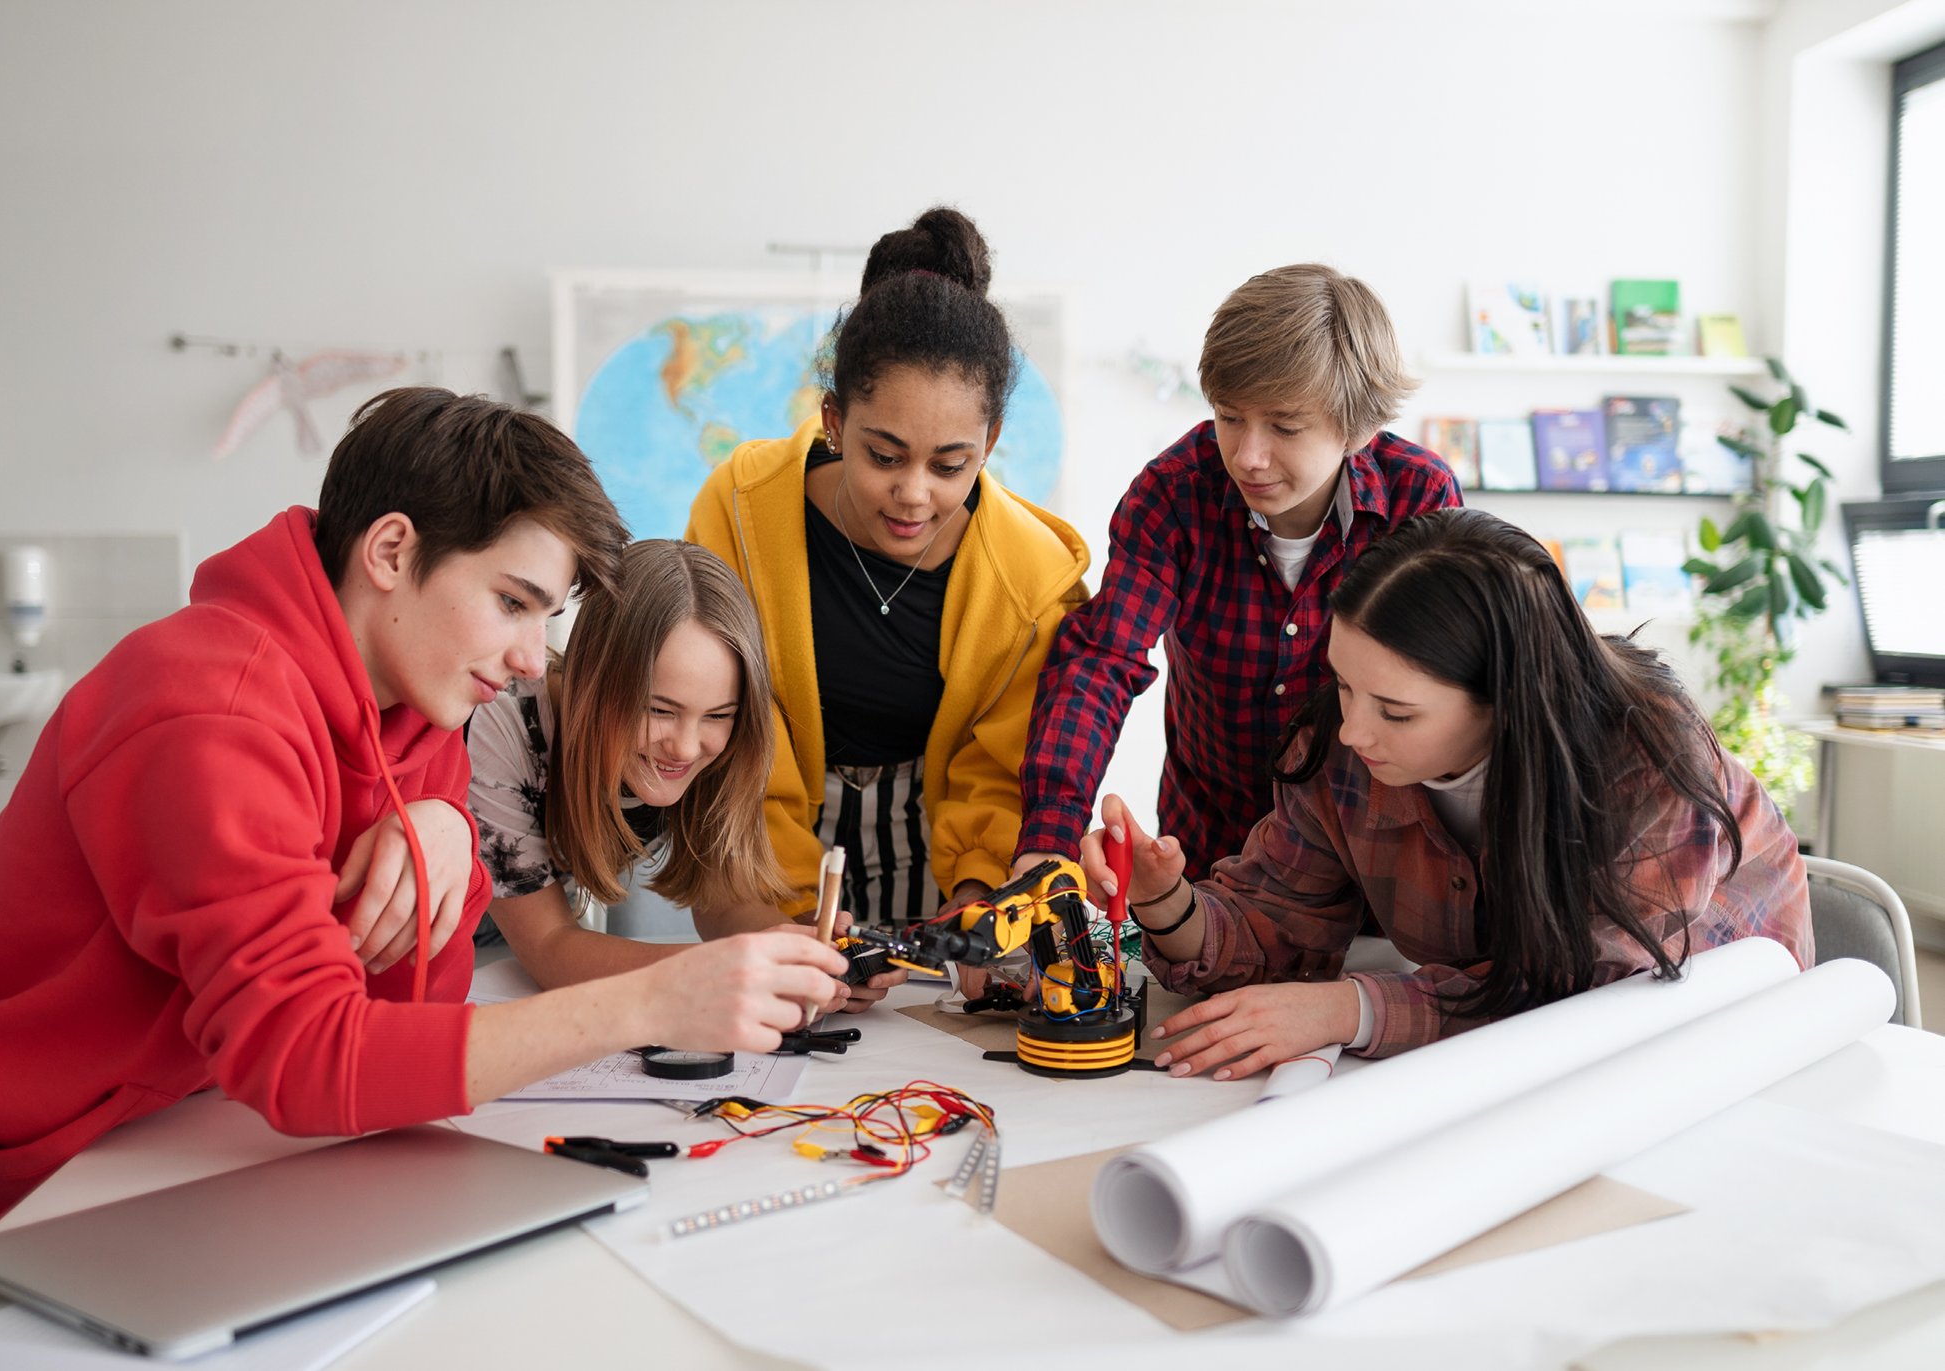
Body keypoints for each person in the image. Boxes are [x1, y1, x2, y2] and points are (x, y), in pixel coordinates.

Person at [0, 389, 847, 1296]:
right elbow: (311, 1059)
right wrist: (650, 1000)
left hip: (162, 1155)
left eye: (545, 618)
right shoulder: (210, 709)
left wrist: (446, 834)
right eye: (513, 602)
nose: (529, 659)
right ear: (392, 549)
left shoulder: (420, 706)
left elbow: (406, 1017)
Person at [1080, 508, 1814, 1079]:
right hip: (1504, 1084)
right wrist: (1164, 900)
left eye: (1396, 711)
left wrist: (1354, 1007)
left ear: (1509, 700)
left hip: (1725, 1061)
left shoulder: (1648, 757)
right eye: (1341, 684)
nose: (1354, 731)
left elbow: (1593, 1003)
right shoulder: (1341, 743)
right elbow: (1277, 926)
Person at [686, 207, 1089, 930]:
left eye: (950, 464)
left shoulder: (1031, 581)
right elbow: (738, 734)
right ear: (834, 421)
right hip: (761, 857)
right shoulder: (741, 514)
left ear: (991, 440)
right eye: (883, 455)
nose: (913, 493)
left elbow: (996, 775)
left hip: (941, 867)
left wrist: (973, 912)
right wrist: (797, 914)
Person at [1015, 265, 1461, 891]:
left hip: (1374, 863)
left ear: (1358, 428)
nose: (1248, 456)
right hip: (1210, 857)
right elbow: (1102, 659)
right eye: (1229, 417)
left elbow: (1449, 690)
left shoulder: (1419, 494)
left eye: (1284, 426)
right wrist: (1050, 838)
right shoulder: (1173, 494)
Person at [466, 539, 901, 1009]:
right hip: (447, 945)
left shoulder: (726, 748)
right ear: (593, 680)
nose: (687, 747)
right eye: (658, 710)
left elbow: (725, 901)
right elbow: (550, 948)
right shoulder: (499, 723)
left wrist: (798, 956)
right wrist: (730, 968)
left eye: (718, 715)